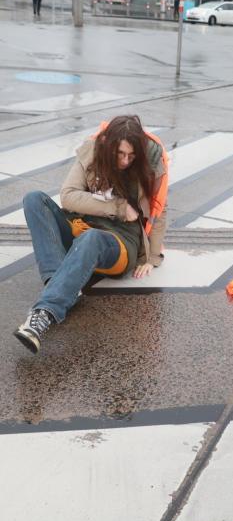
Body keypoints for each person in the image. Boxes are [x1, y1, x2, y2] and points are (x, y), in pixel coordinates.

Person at [13, 115, 168, 354]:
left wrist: (151, 258)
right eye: (120, 153)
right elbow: (69, 196)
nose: (126, 160)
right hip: (82, 225)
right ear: (108, 148)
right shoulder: (93, 152)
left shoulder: (151, 163)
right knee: (34, 199)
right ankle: (61, 283)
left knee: (92, 237)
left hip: (119, 242)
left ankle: (44, 313)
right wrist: (117, 207)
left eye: (132, 155)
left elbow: (159, 210)